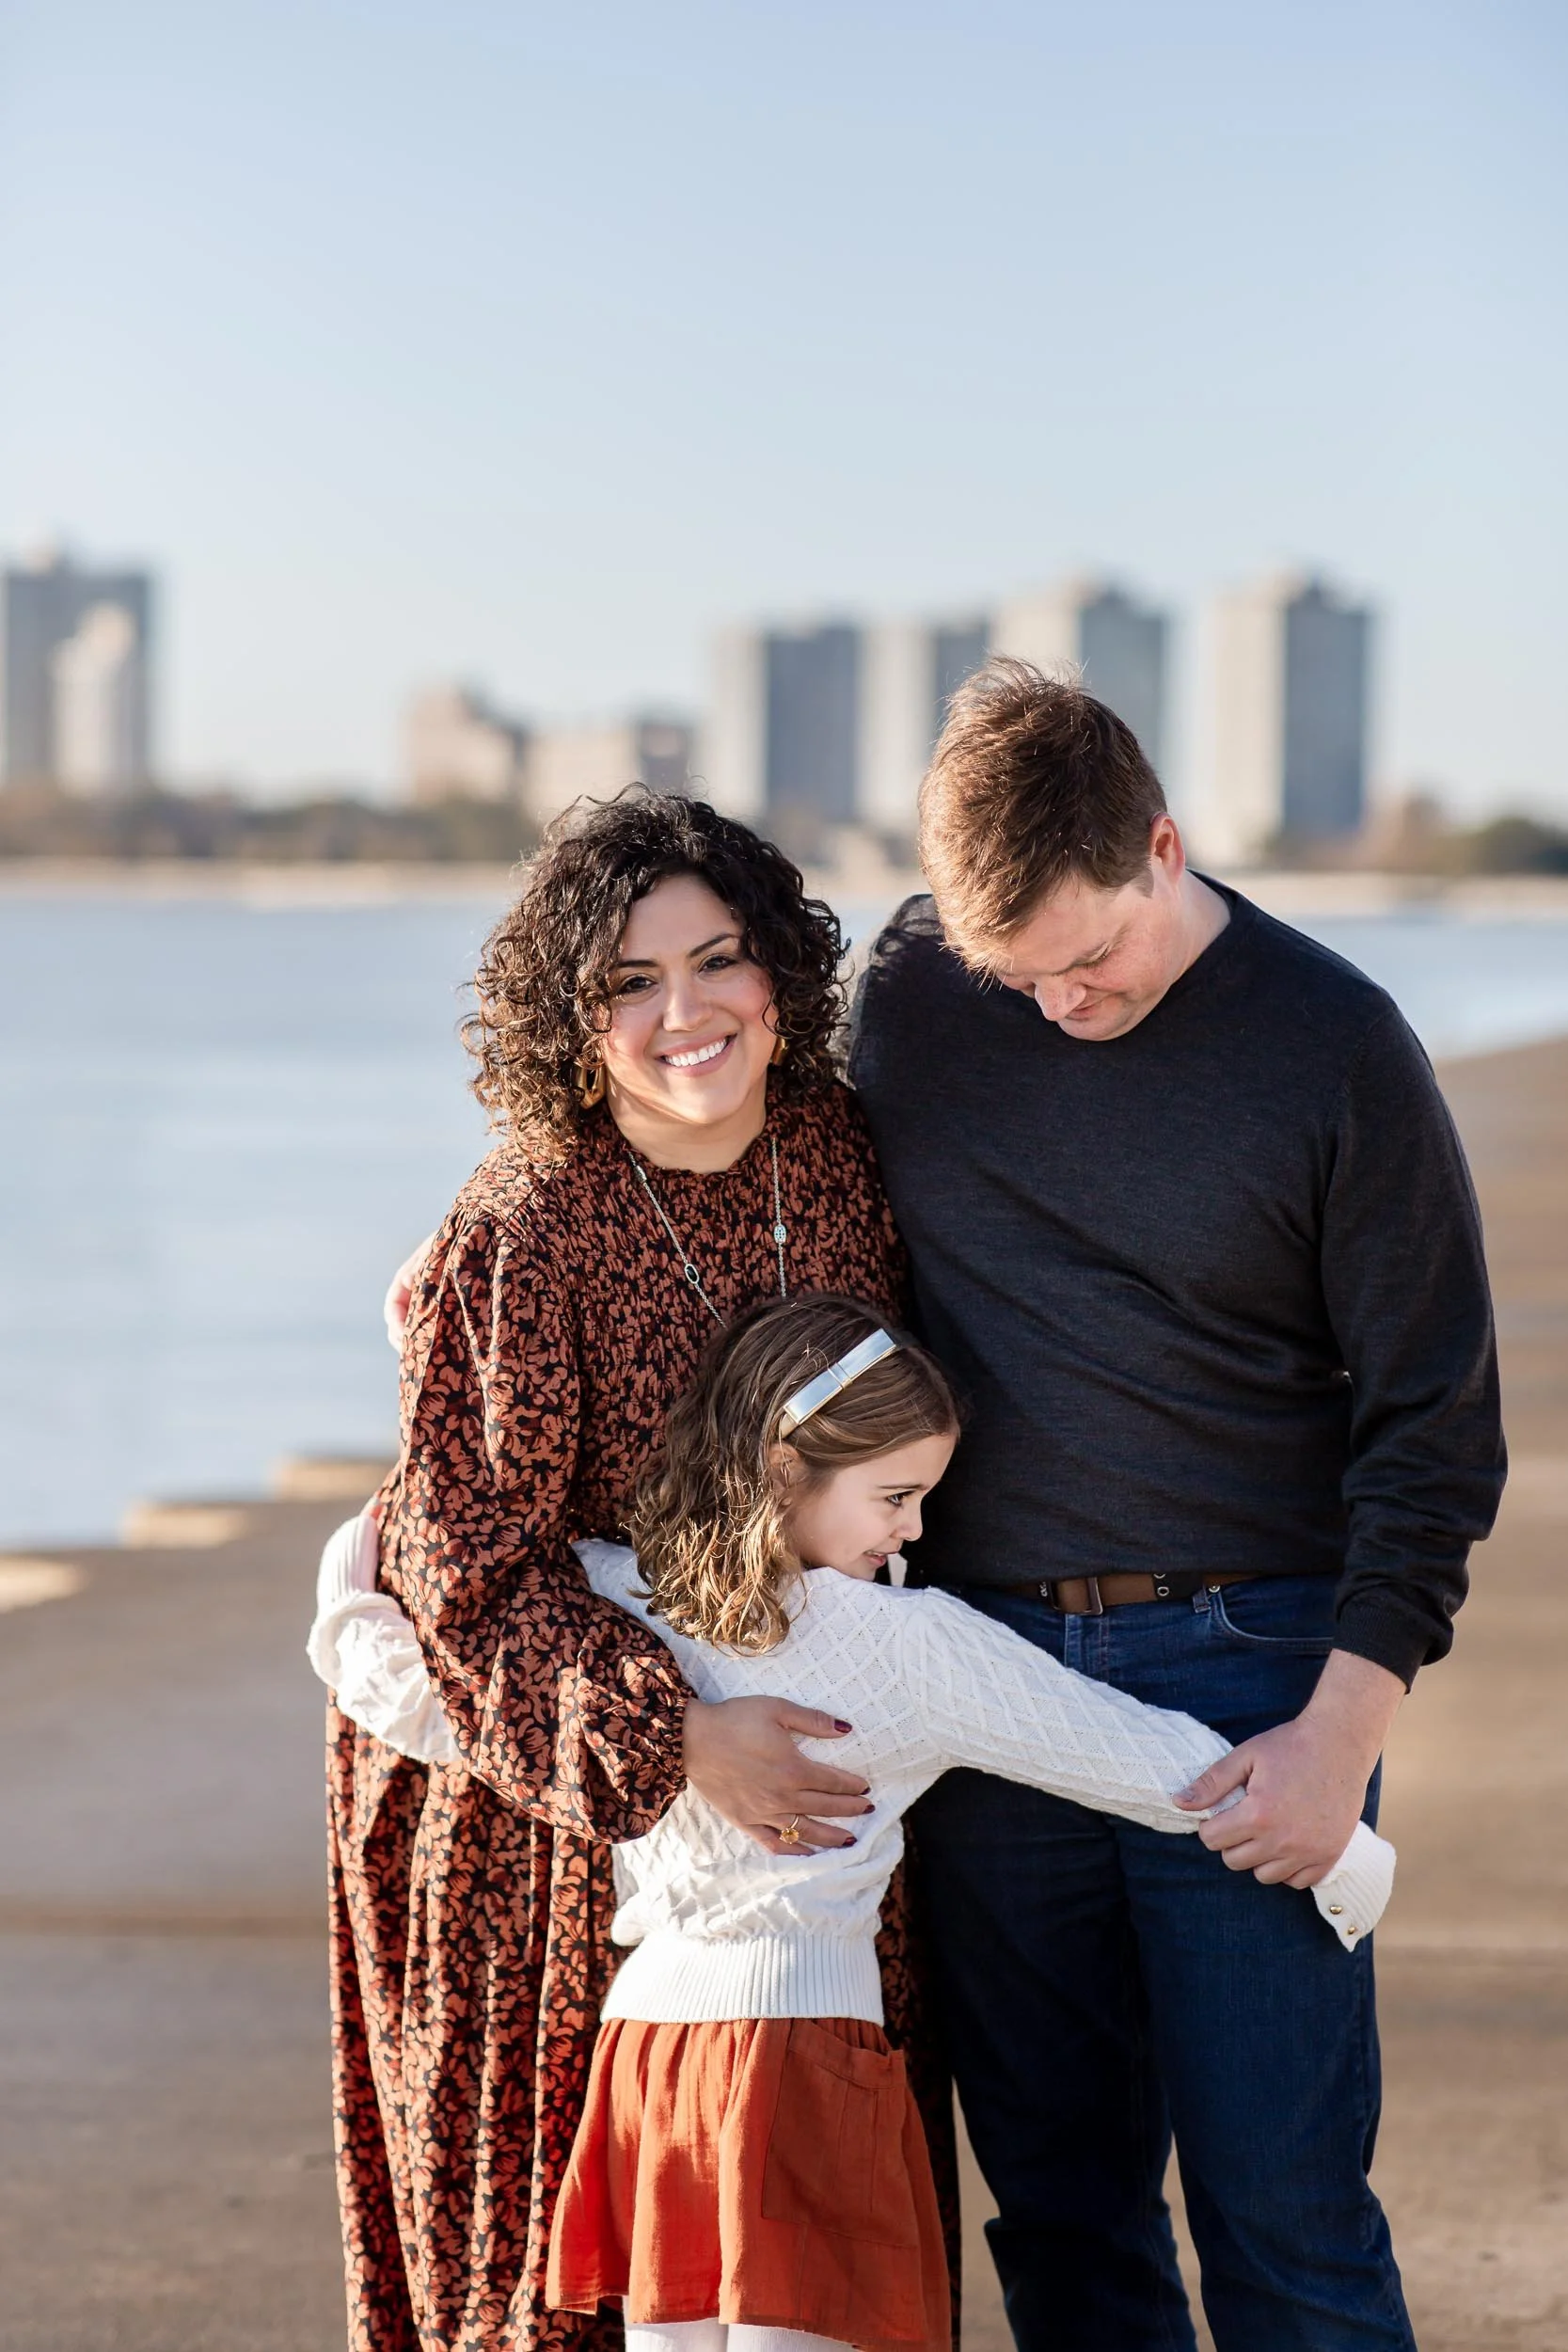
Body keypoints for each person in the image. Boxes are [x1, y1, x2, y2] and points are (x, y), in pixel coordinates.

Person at [315, 1295, 1392, 2352]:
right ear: (787, 1469)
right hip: (802, 2051)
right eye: (895, 1495)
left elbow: (421, 1690)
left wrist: (355, 1570)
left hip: (648, 2056)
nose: (913, 1529)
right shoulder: (908, 1644)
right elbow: (1134, 1754)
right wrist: (1348, 1855)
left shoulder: (609, 1598)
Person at [849, 659, 1506, 2352]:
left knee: (1286, 2230)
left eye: (1089, 961)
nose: (1059, 1005)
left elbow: (1435, 1428)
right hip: (982, 1677)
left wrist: (1338, 1740)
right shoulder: (913, 991)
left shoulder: (1335, 1045)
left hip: (1251, 1677)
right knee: (1063, 2224)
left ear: (1162, 843)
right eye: (1018, 978)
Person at [325, 790, 928, 2352]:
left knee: (797, 2270)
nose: (685, 1014)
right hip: (559, 1818)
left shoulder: (841, 1158)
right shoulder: (524, 1224)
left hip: (803, 1805)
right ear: (571, 1020)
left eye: (717, 960)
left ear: (777, 971)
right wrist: (680, 1741)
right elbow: (466, 1573)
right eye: (628, 983)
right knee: (563, 2288)